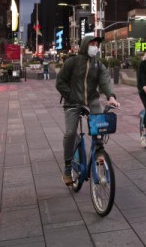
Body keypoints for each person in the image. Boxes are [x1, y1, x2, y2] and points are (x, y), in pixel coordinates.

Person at [56, 36, 119, 185]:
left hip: (92, 99)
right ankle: (67, 167)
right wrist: (71, 95)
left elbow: (105, 80)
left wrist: (111, 97)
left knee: (100, 125)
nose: (95, 46)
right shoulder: (72, 62)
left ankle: (98, 149)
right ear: (85, 45)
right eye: (92, 43)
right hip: (72, 102)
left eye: (97, 44)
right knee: (70, 133)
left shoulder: (98, 64)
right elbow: (60, 82)